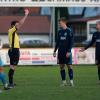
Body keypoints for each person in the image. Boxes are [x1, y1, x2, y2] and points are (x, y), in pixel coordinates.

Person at [8, 9, 29, 88]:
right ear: (13, 26)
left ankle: (11, 83)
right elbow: (21, 23)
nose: (18, 25)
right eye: (16, 25)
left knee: (13, 67)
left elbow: (19, 24)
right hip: (14, 50)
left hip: (14, 50)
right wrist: (26, 15)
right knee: (12, 67)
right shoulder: (11, 31)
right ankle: (10, 84)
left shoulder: (14, 33)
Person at [53, 17, 74, 86]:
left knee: (69, 66)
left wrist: (69, 51)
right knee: (61, 66)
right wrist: (55, 51)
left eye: (60, 23)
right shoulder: (59, 31)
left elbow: (71, 42)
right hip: (60, 52)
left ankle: (71, 81)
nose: (59, 24)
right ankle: (64, 82)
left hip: (67, 52)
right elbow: (58, 42)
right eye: (59, 23)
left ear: (64, 22)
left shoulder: (69, 31)